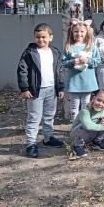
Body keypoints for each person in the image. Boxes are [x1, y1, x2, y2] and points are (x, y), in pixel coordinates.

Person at [17, 23, 65, 158]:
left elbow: (60, 70)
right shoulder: (29, 53)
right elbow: (22, 71)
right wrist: (24, 88)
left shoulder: (55, 52)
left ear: (51, 37)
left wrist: (60, 87)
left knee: (49, 116)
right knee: (34, 117)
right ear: (34, 37)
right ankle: (31, 144)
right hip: (35, 91)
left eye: (44, 37)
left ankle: (48, 138)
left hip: (51, 89)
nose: (41, 40)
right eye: (38, 37)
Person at [62, 19, 100, 122]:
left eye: (82, 31)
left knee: (86, 104)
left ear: (87, 32)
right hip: (74, 82)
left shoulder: (91, 47)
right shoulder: (69, 47)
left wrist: (88, 60)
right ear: (72, 32)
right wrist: (72, 62)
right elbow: (63, 62)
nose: (79, 34)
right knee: (74, 105)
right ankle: (75, 124)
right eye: (76, 31)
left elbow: (97, 61)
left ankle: (84, 123)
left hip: (87, 82)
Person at [70, 90, 104, 158]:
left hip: (91, 134)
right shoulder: (85, 111)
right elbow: (87, 126)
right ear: (93, 99)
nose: (100, 104)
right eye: (98, 100)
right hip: (77, 135)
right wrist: (103, 126)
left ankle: (97, 141)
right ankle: (77, 146)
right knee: (83, 125)